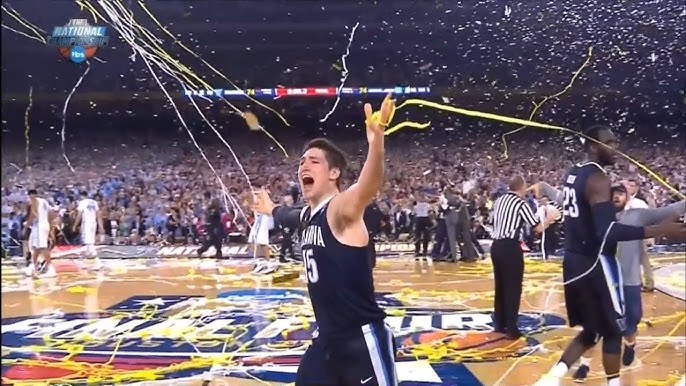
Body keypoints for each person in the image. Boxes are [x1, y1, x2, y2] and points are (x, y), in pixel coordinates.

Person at [253, 94, 397, 386]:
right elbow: (288, 216)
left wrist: (376, 143)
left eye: (314, 161)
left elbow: (367, 186)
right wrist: (271, 209)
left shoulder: (340, 208)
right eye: (302, 161)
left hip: (361, 340)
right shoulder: (308, 215)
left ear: (334, 173)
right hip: (326, 340)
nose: (303, 166)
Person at [532, 125, 685, 386]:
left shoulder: (573, 173)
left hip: (573, 262)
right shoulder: (597, 178)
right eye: (609, 142)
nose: (616, 147)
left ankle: (550, 378)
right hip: (595, 264)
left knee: (592, 331)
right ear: (593, 145)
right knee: (613, 330)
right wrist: (662, 230)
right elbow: (608, 232)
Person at [572, 187, 685, 382]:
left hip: (629, 280)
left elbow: (667, 211)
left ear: (627, 198)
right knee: (593, 325)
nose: (616, 196)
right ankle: (584, 365)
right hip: (603, 281)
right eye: (613, 193)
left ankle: (630, 343)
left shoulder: (636, 215)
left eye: (621, 193)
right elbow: (568, 199)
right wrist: (545, 188)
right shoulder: (596, 218)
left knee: (631, 321)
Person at [490, 175, 559, 339]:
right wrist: (549, 219)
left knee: (500, 287)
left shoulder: (500, 201)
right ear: (522, 187)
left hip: (496, 247)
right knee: (513, 287)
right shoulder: (520, 204)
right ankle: (512, 329)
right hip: (510, 248)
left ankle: (499, 324)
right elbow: (536, 228)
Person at [24, 189, 56, 277]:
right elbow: (51, 215)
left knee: (42, 247)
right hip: (45, 224)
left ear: (31, 195)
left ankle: (50, 268)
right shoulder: (45, 202)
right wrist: (50, 227)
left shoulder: (34, 200)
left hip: (39, 226)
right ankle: (34, 267)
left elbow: (33, 214)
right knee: (36, 247)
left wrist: (26, 226)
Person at [73, 190, 104, 270]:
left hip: (86, 223)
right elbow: (98, 215)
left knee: (89, 242)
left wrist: (75, 225)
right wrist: (101, 226)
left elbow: (79, 215)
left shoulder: (82, 202)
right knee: (88, 242)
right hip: (93, 223)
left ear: (81, 196)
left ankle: (98, 262)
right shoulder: (94, 202)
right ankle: (86, 262)